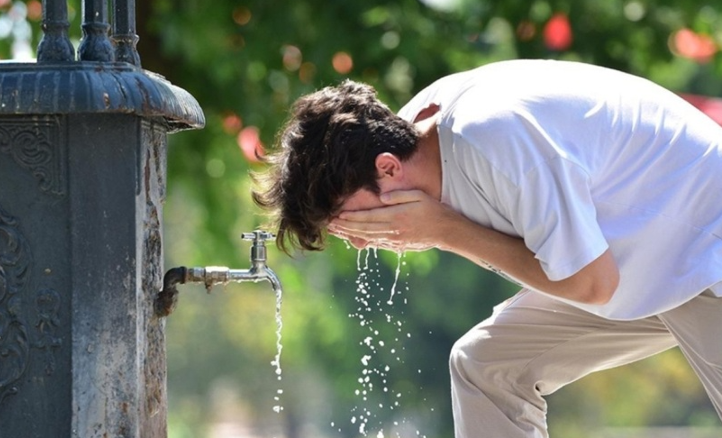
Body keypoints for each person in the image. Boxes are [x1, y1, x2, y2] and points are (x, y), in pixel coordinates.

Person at [252, 59, 722, 437]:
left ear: (389, 169)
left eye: (351, 218)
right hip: (629, 259)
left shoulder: (495, 137)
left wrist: (447, 231)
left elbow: (592, 284)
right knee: (487, 367)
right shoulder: (420, 138)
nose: (358, 238)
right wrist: (443, 228)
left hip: (702, 243)